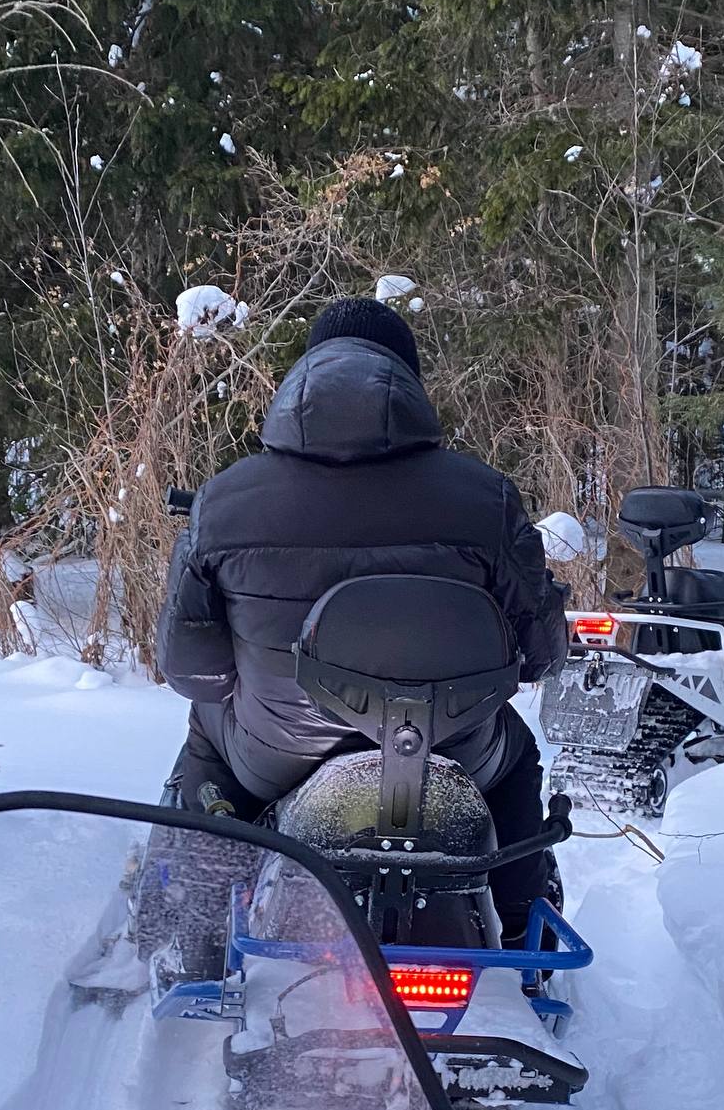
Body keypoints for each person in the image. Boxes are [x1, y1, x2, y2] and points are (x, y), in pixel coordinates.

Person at [156, 296, 569, 945]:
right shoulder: (485, 497)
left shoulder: (223, 503)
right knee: (515, 757)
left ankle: (197, 927)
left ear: (302, 380)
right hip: (450, 751)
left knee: (207, 736)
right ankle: (523, 931)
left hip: (279, 755)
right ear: (409, 384)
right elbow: (542, 655)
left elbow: (192, 673)